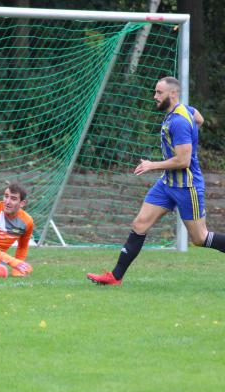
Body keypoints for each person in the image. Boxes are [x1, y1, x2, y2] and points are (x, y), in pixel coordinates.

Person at [87, 76, 225, 286]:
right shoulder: (184, 111)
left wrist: (152, 165)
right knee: (140, 224)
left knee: (200, 238)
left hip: (187, 187)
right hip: (167, 184)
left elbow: (184, 160)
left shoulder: (178, 121)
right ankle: (115, 277)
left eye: (159, 93)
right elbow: (199, 119)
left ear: (173, 94)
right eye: (155, 92)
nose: (154, 96)